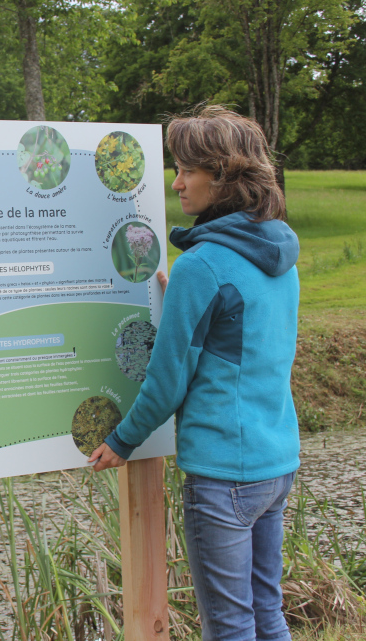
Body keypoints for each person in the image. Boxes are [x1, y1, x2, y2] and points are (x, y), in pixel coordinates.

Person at [89, 105, 300, 641]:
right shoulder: (277, 252)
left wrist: (121, 440)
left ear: (224, 176)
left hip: (225, 473)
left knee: (228, 628)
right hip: (276, 464)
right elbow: (240, 335)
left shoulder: (203, 268)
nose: (177, 183)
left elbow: (167, 381)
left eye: (188, 170)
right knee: (266, 614)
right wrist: (180, 294)